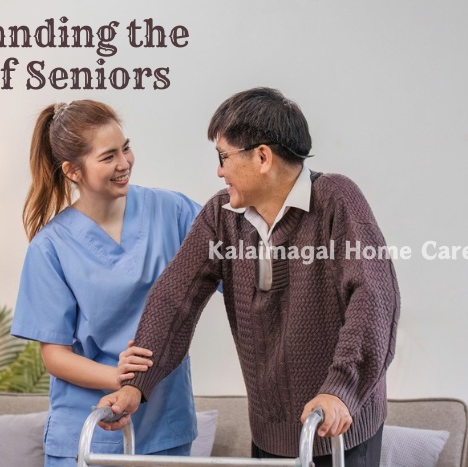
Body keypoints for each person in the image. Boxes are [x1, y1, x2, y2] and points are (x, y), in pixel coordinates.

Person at [99, 87, 400, 467]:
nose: (219, 170)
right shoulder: (222, 216)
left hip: (341, 429)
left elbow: (374, 298)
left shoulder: (336, 200)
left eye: (223, 156)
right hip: (270, 433)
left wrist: (341, 390)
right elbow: (174, 300)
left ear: (262, 157)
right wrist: (135, 388)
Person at [11, 100, 201, 467]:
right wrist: (120, 378)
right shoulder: (50, 248)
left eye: (126, 148)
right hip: (89, 431)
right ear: (72, 170)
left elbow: (238, 266)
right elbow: (55, 356)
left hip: (165, 425)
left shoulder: (173, 211)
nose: (124, 163)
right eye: (108, 156)